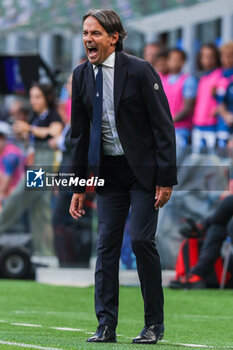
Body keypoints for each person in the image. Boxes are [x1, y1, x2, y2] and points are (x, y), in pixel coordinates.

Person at [69, 9, 177, 344]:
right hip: (109, 173)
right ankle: (105, 325)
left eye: (96, 33)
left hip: (143, 172)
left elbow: (163, 127)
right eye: (86, 33)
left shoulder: (141, 71)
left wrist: (166, 178)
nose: (89, 38)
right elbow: (79, 135)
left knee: (142, 241)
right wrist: (78, 185)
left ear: (114, 37)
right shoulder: (81, 75)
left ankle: (153, 324)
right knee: (106, 247)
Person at [163, 48, 197, 153]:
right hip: (164, 129)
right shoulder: (162, 80)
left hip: (180, 130)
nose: (175, 62)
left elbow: (187, 109)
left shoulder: (188, 80)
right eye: (172, 59)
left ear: (183, 62)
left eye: (178, 59)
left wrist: (167, 121)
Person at [192, 44, 222, 153]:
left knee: (212, 159)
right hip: (198, 123)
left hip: (212, 124)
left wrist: (217, 109)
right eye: (204, 56)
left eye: (211, 56)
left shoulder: (220, 75)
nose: (207, 60)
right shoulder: (202, 77)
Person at [215, 41, 233, 148]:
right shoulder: (221, 76)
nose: (226, 59)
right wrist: (226, 115)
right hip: (224, 125)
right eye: (223, 56)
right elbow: (219, 101)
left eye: (230, 56)